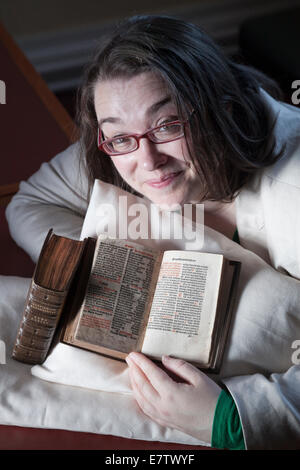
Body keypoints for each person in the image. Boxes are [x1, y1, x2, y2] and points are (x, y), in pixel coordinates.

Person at [6, 15, 300, 449]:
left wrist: (229, 419)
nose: (147, 162)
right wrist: (100, 259)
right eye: (118, 136)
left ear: (225, 108)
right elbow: (30, 203)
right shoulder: (122, 143)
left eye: (168, 126)